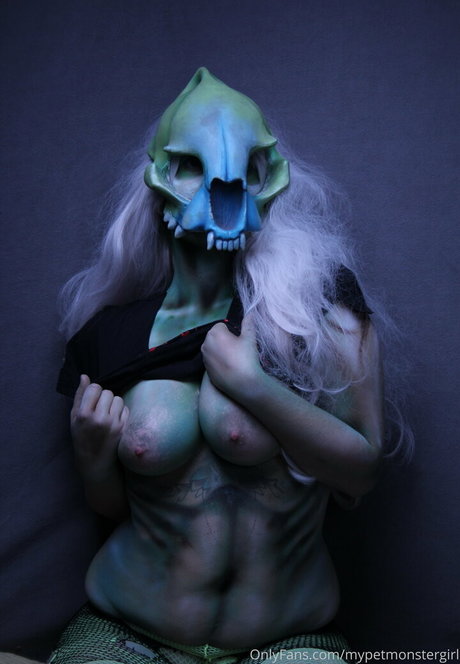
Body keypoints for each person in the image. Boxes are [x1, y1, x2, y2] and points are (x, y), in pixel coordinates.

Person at [49, 67, 383, 664]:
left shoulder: (319, 313)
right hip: (127, 633)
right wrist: (93, 458)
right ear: (158, 182)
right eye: (191, 169)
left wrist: (252, 387)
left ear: (268, 181)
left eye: (245, 174)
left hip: (286, 642)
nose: (223, 196)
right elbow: (119, 509)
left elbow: (360, 473)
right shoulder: (109, 338)